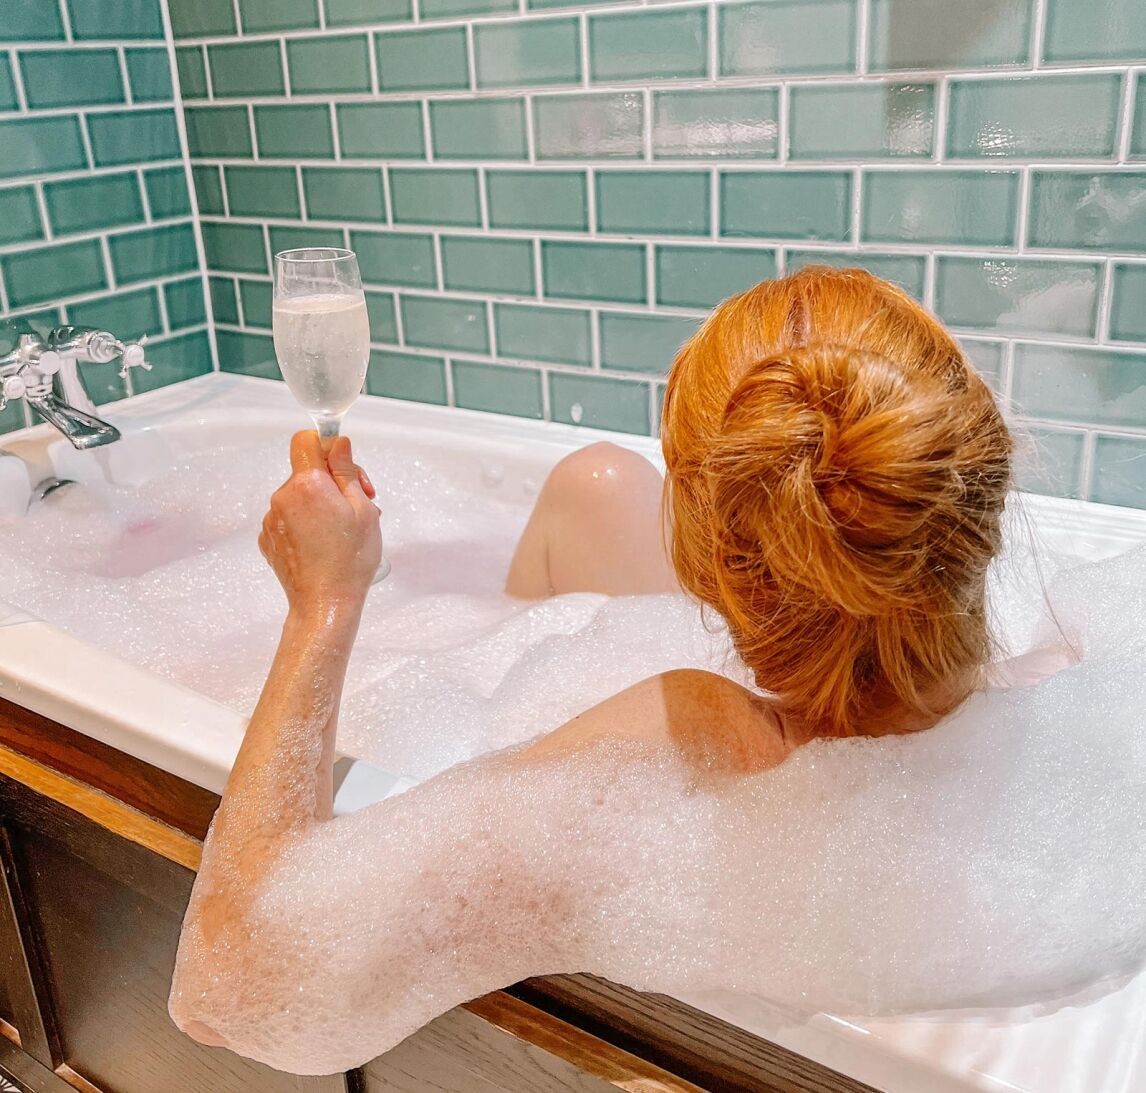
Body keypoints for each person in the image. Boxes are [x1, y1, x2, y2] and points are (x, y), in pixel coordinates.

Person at [169, 268, 1018, 1073]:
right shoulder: (1042, 710)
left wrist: (324, 603)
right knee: (592, 483)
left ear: (710, 560)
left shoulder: (691, 743)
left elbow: (231, 983)